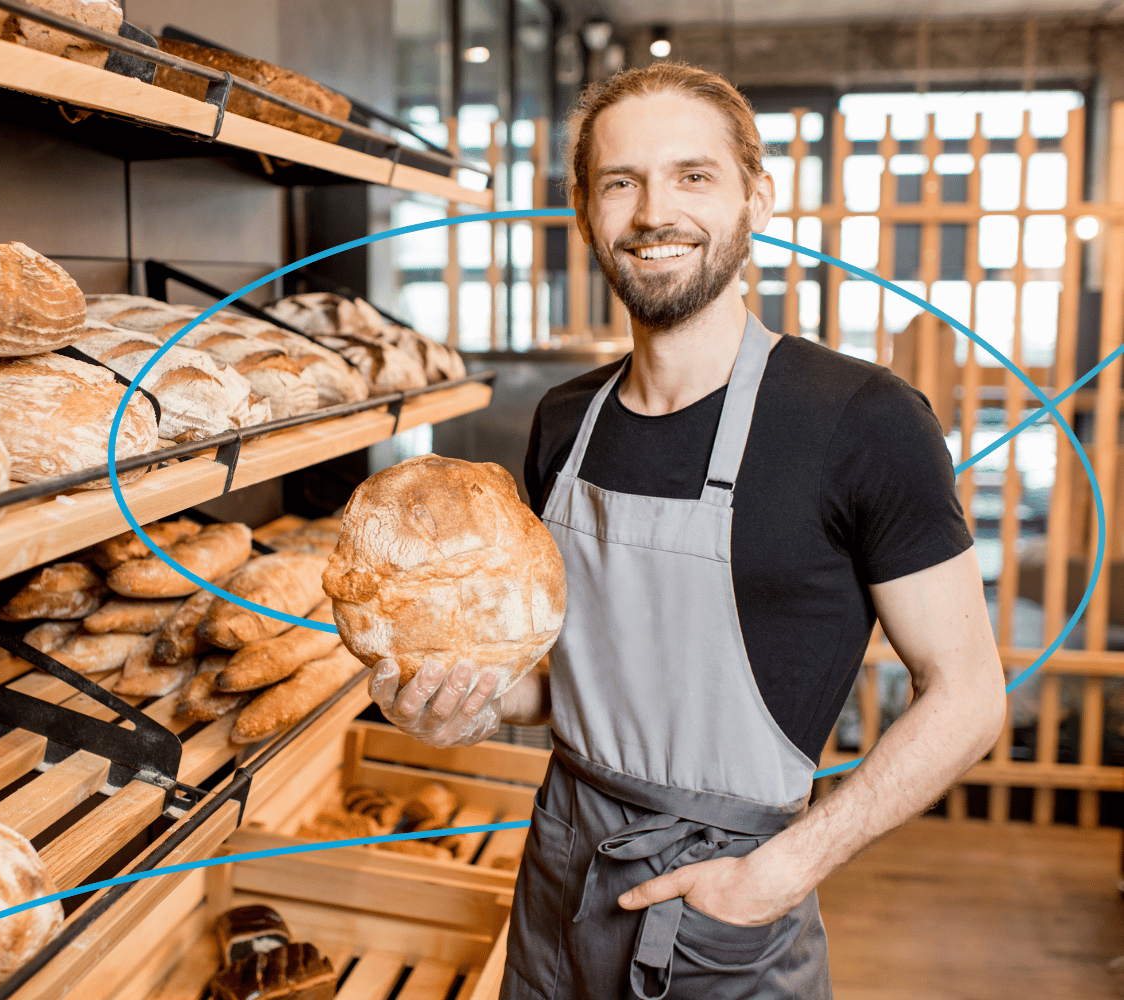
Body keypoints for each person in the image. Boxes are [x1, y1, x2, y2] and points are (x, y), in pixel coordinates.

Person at [366, 63, 1007, 1000]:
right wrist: (470, 703)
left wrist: (779, 874)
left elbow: (969, 696)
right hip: (557, 873)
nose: (654, 213)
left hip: (726, 905)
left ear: (758, 198)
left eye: (692, 176)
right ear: (586, 211)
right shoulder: (564, 422)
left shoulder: (862, 420)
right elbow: (575, 681)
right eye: (621, 182)